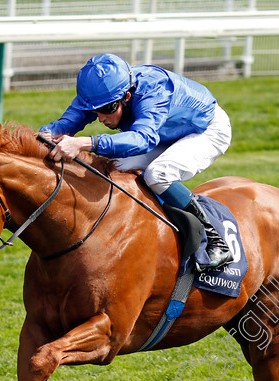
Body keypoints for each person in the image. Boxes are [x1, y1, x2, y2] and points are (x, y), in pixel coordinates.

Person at [38, 53, 233, 271]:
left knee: (158, 174)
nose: (101, 118)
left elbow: (144, 139)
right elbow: (69, 121)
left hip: (205, 129)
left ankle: (215, 239)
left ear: (127, 96)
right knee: (115, 167)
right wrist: (45, 135)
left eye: (107, 110)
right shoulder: (102, 92)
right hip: (164, 133)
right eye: (95, 111)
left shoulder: (153, 90)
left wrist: (85, 143)